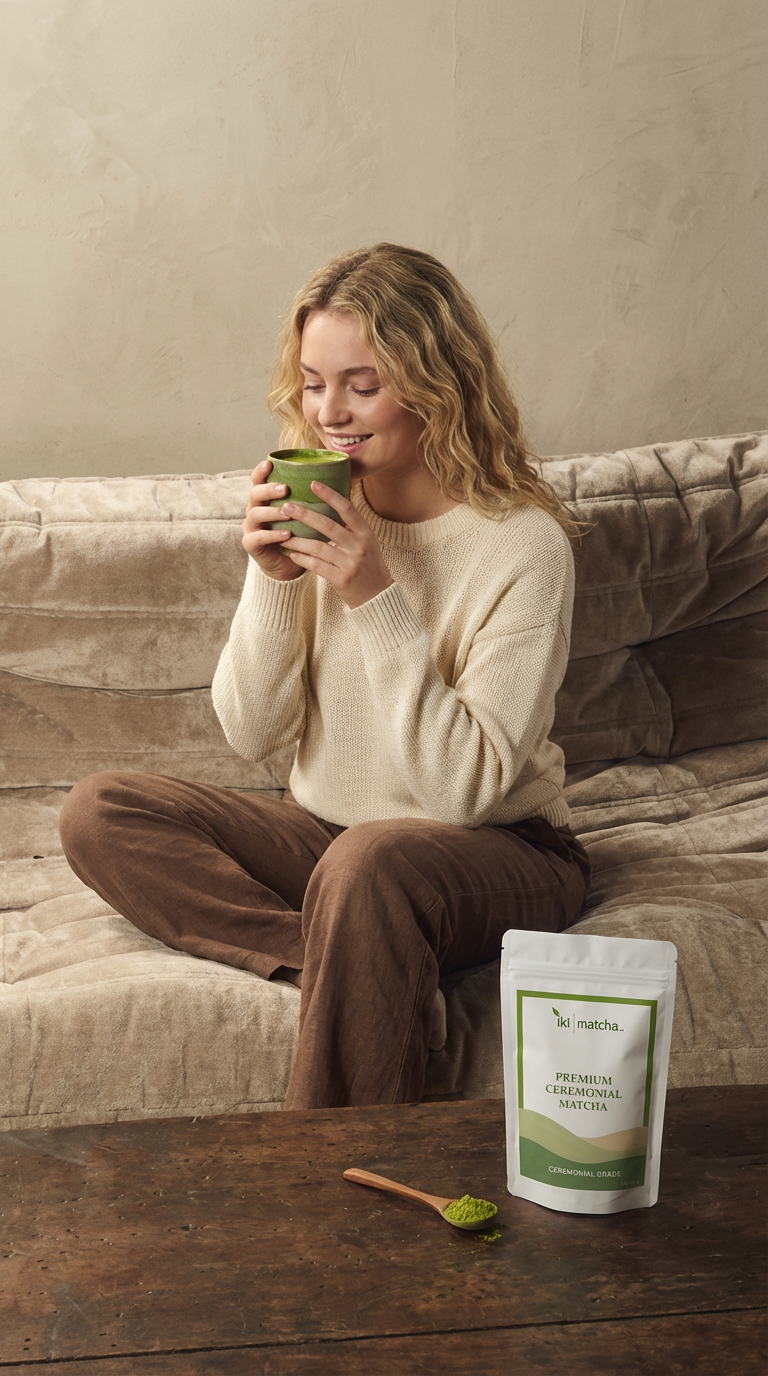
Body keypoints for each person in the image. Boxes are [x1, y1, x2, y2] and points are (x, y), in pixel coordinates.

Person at [59, 243, 591, 1110]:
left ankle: (332, 1194)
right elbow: (252, 734)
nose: (330, 412)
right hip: (331, 841)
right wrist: (272, 586)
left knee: (368, 860)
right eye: (312, 382)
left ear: (436, 381)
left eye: (362, 384)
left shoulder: (518, 544)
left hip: (502, 848)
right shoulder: (319, 506)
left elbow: (466, 789)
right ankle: (365, 968)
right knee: (102, 809)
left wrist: (373, 593)